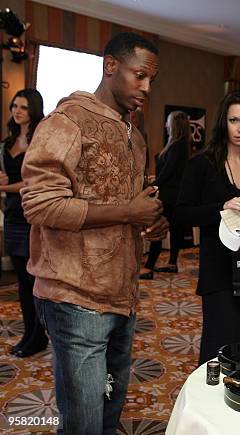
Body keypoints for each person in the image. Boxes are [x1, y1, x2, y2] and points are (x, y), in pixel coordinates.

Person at [21, 32, 167, 434]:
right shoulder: (66, 122)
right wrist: (127, 210)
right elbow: (39, 205)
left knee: (106, 413)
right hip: (74, 296)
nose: (146, 88)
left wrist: (149, 222)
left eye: (151, 79)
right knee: (82, 423)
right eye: (139, 76)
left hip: (123, 295)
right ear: (110, 65)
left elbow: (131, 210)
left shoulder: (135, 136)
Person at [174, 90, 240, 365]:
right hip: (219, 273)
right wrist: (221, 209)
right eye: (234, 121)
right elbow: (181, 213)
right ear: (223, 122)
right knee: (220, 351)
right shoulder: (202, 165)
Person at [0, 89, 47, 358]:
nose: (17, 111)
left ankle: (39, 336)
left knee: (34, 281)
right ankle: (30, 332)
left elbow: (34, 182)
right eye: (15, 106)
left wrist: (6, 188)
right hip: (13, 216)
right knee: (21, 280)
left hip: (31, 217)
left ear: (34, 111)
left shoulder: (39, 140)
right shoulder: (7, 143)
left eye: (24, 107)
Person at [140, 111, 192, 279]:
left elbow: (168, 172)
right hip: (173, 194)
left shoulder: (179, 146)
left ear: (174, 125)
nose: (165, 125)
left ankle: (148, 267)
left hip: (172, 196)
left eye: (168, 122)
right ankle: (171, 263)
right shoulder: (178, 144)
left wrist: (151, 187)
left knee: (158, 228)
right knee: (173, 230)